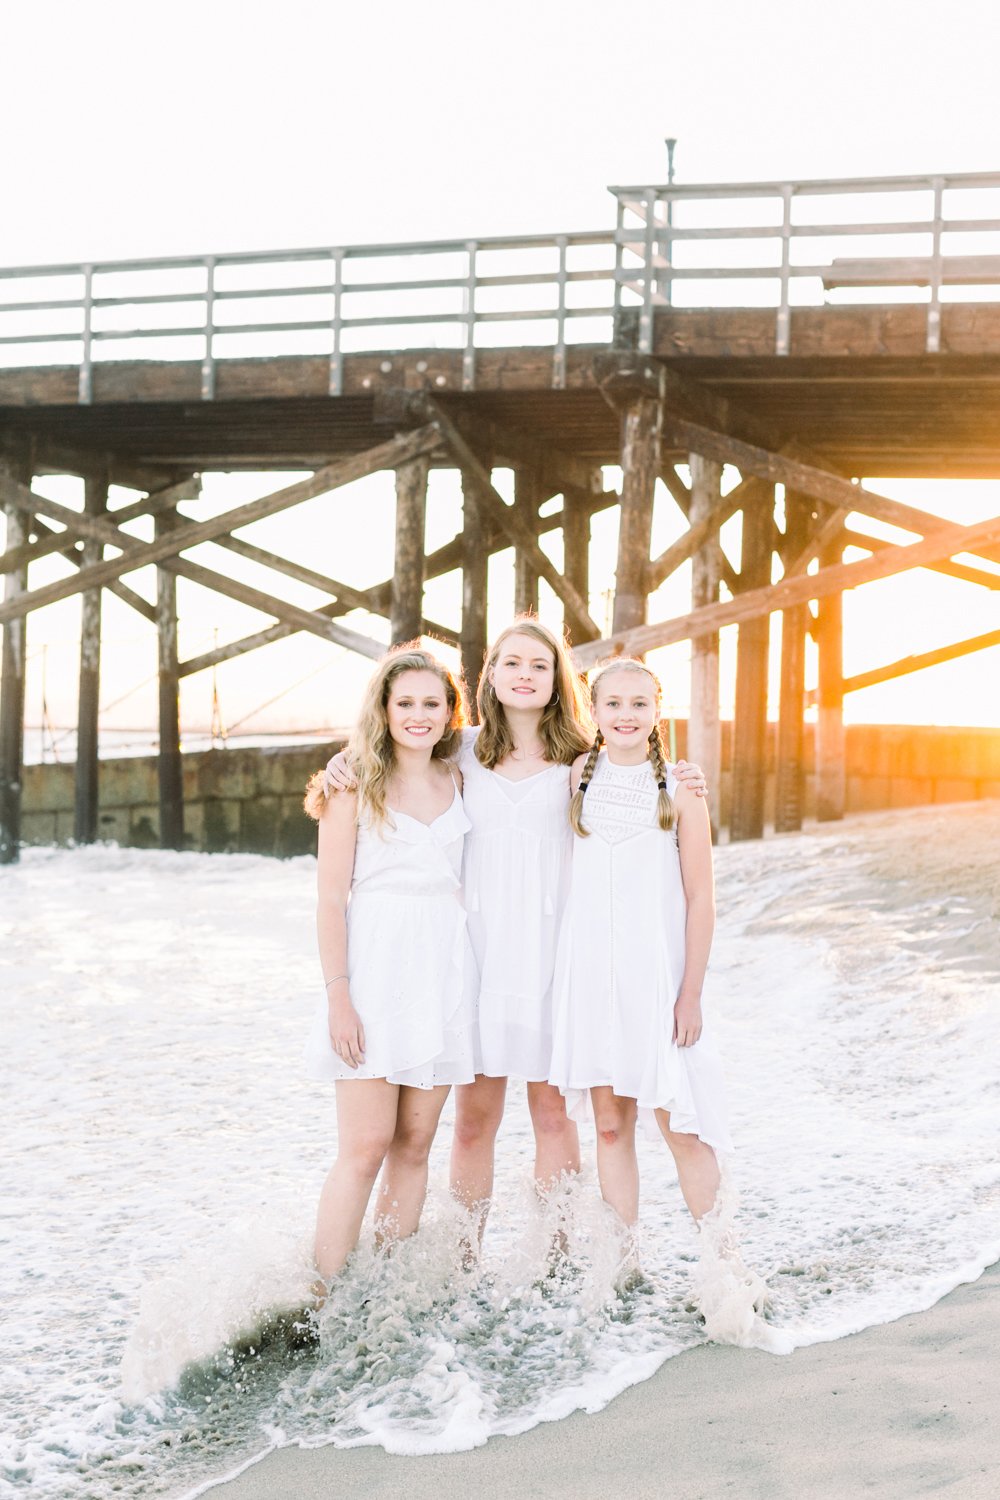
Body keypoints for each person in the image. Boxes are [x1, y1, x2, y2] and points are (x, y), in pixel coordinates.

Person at [324, 618, 708, 1249]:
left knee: (553, 1116)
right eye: (511, 663)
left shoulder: (584, 758)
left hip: (560, 962)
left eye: (538, 664)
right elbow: (394, 749)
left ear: (557, 677)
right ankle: (466, 1255)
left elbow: (643, 769)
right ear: (491, 676)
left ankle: (553, 1260)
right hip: (474, 961)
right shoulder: (461, 752)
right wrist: (344, 759)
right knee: (474, 1122)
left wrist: (686, 780)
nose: (525, 675)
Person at [302, 645, 477, 1284]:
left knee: (414, 1145)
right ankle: (318, 1296)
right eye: (405, 703)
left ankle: (385, 1289)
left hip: (444, 974)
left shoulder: (460, 776)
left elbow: (532, 745)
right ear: (384, 708)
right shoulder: (353, 783)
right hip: (375, 973)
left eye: (432, 703)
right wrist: (338, 999)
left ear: (450, 711)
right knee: (365, 1146)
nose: (419, 715)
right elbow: (329, 900)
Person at [548, 657, 731, 1256]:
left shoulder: (681, 789)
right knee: (609, 1125)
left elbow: (701, 897)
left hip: (656, 982)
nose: (626, 715)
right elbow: (485, 758)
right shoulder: (577, 775)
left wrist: (691, 993)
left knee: (681, 1127)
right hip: (593, 983)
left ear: (657, 711)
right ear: (593, 712)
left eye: (639, 704)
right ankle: (619, 1266)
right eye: (613, 704)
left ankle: (724, 1266)